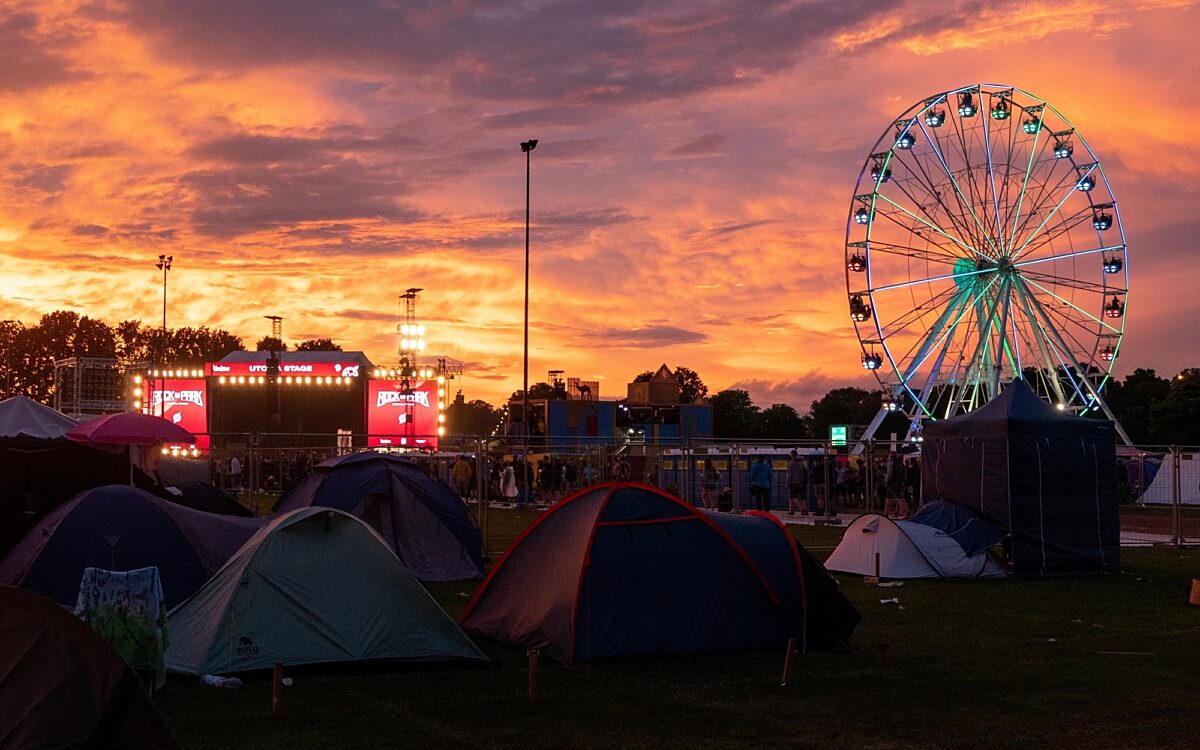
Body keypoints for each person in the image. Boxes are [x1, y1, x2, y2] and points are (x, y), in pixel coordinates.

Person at [786, 450, 808, 515]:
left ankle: (802, 509)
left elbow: (789, 474)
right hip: (798, 482)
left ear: (792, 455)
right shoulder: (800, 464)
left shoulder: (791, 463)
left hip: (792, 482)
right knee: (791, 497)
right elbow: (802, 475)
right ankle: (792, 510)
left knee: (794, 497)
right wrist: (800, 482)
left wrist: (787, 482)